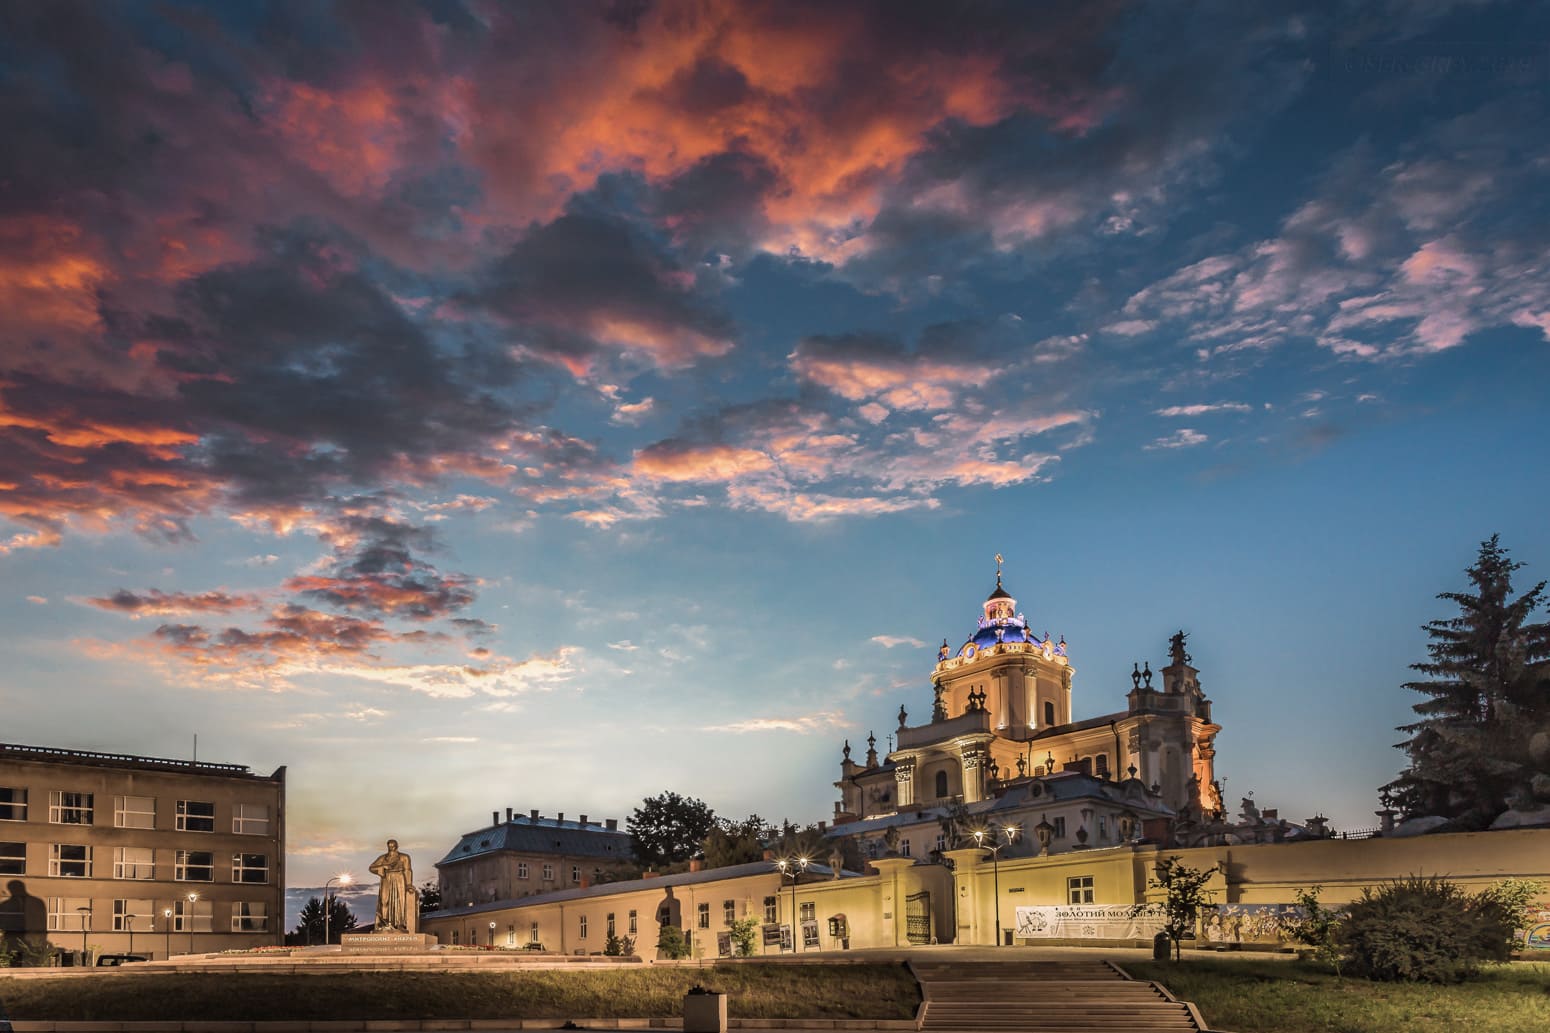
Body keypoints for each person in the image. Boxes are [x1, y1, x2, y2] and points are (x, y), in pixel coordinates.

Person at [369, 840, 416, 933]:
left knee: (400, 901)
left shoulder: (404, 857)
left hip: (399, 878)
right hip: (386, 878)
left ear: (396, 846)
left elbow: (408, 870)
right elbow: (371, 868)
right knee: (384, 900)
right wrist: (383, 866)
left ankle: (400, 924)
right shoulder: (383, 858)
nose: (391, 848)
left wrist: (409, 884)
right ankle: (384, 922)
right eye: (389, 846)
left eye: (393, 846)